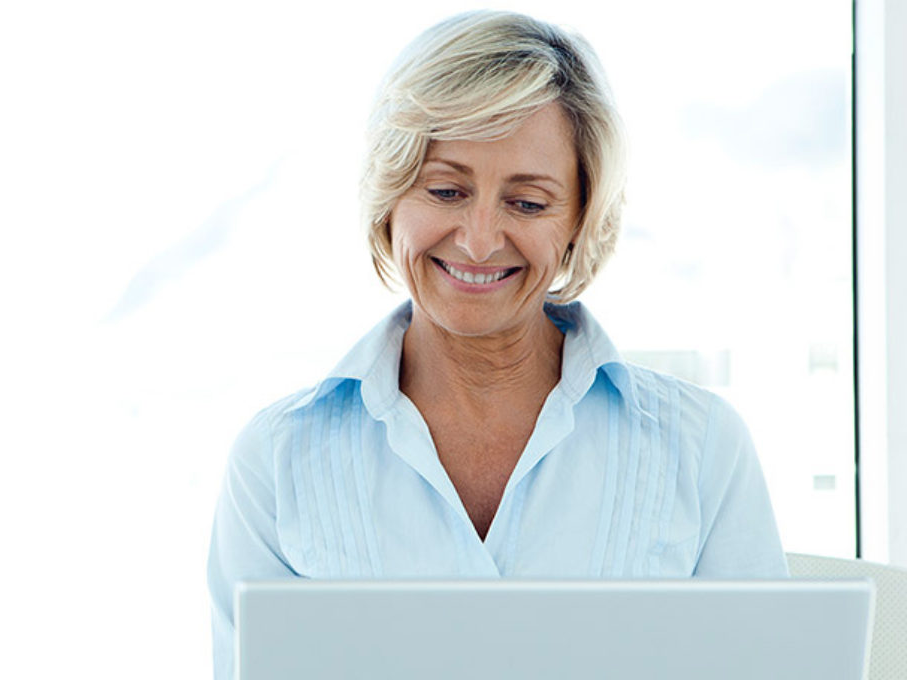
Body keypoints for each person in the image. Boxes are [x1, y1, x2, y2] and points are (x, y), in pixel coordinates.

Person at [207, 10, 787, 678]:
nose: (480, 240)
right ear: (391, 199)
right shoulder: (279, 462)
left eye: (529, 203)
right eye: (447, 190)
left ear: (578, 221)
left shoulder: (701, 448)